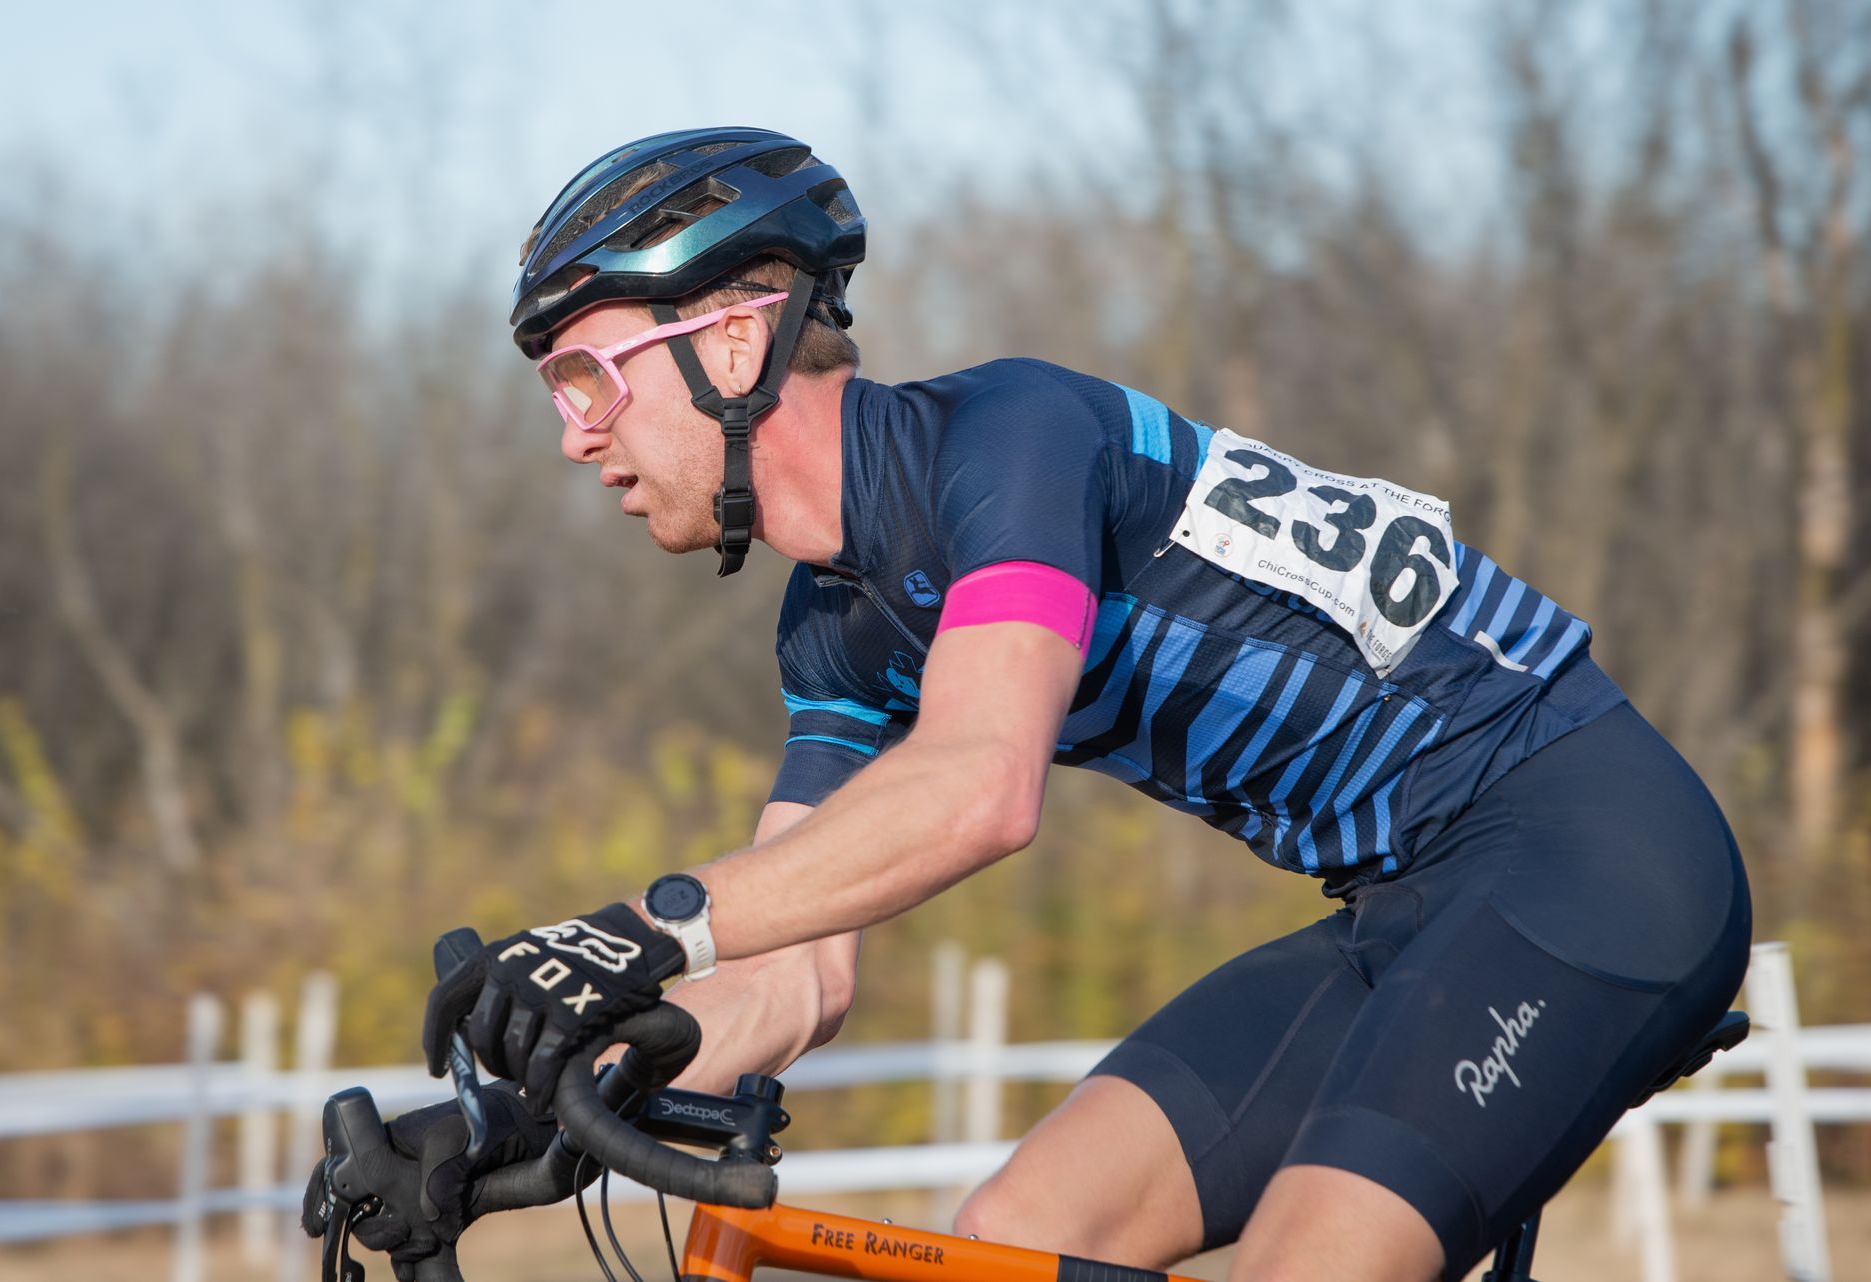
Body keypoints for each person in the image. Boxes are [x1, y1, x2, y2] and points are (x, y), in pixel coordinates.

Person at [369, 128, 1752, 1282]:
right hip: (1398, 908)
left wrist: (639, 926)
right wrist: (508, 1111)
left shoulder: (1011, 438)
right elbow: (796, 964)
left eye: (587, 379)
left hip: (1584, 845)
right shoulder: (835, 626)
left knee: (1305, 1263)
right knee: (1016, 1238)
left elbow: (983, 782)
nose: (574, 434)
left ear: (732, 346)